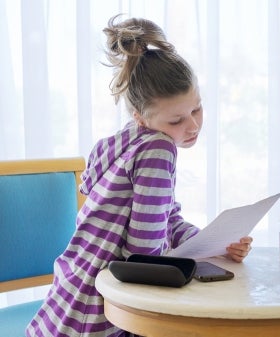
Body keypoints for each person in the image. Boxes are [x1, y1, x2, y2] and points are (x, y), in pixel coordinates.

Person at [26, 15, 252, 337]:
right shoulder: (159, 149)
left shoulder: (124, 141)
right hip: (104, 310)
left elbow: (165, 218)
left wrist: (210, 244)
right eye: (177, 120)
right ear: (140, 116)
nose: (192, 126)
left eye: (197, 109)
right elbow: (144, 255)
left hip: (70, 298)